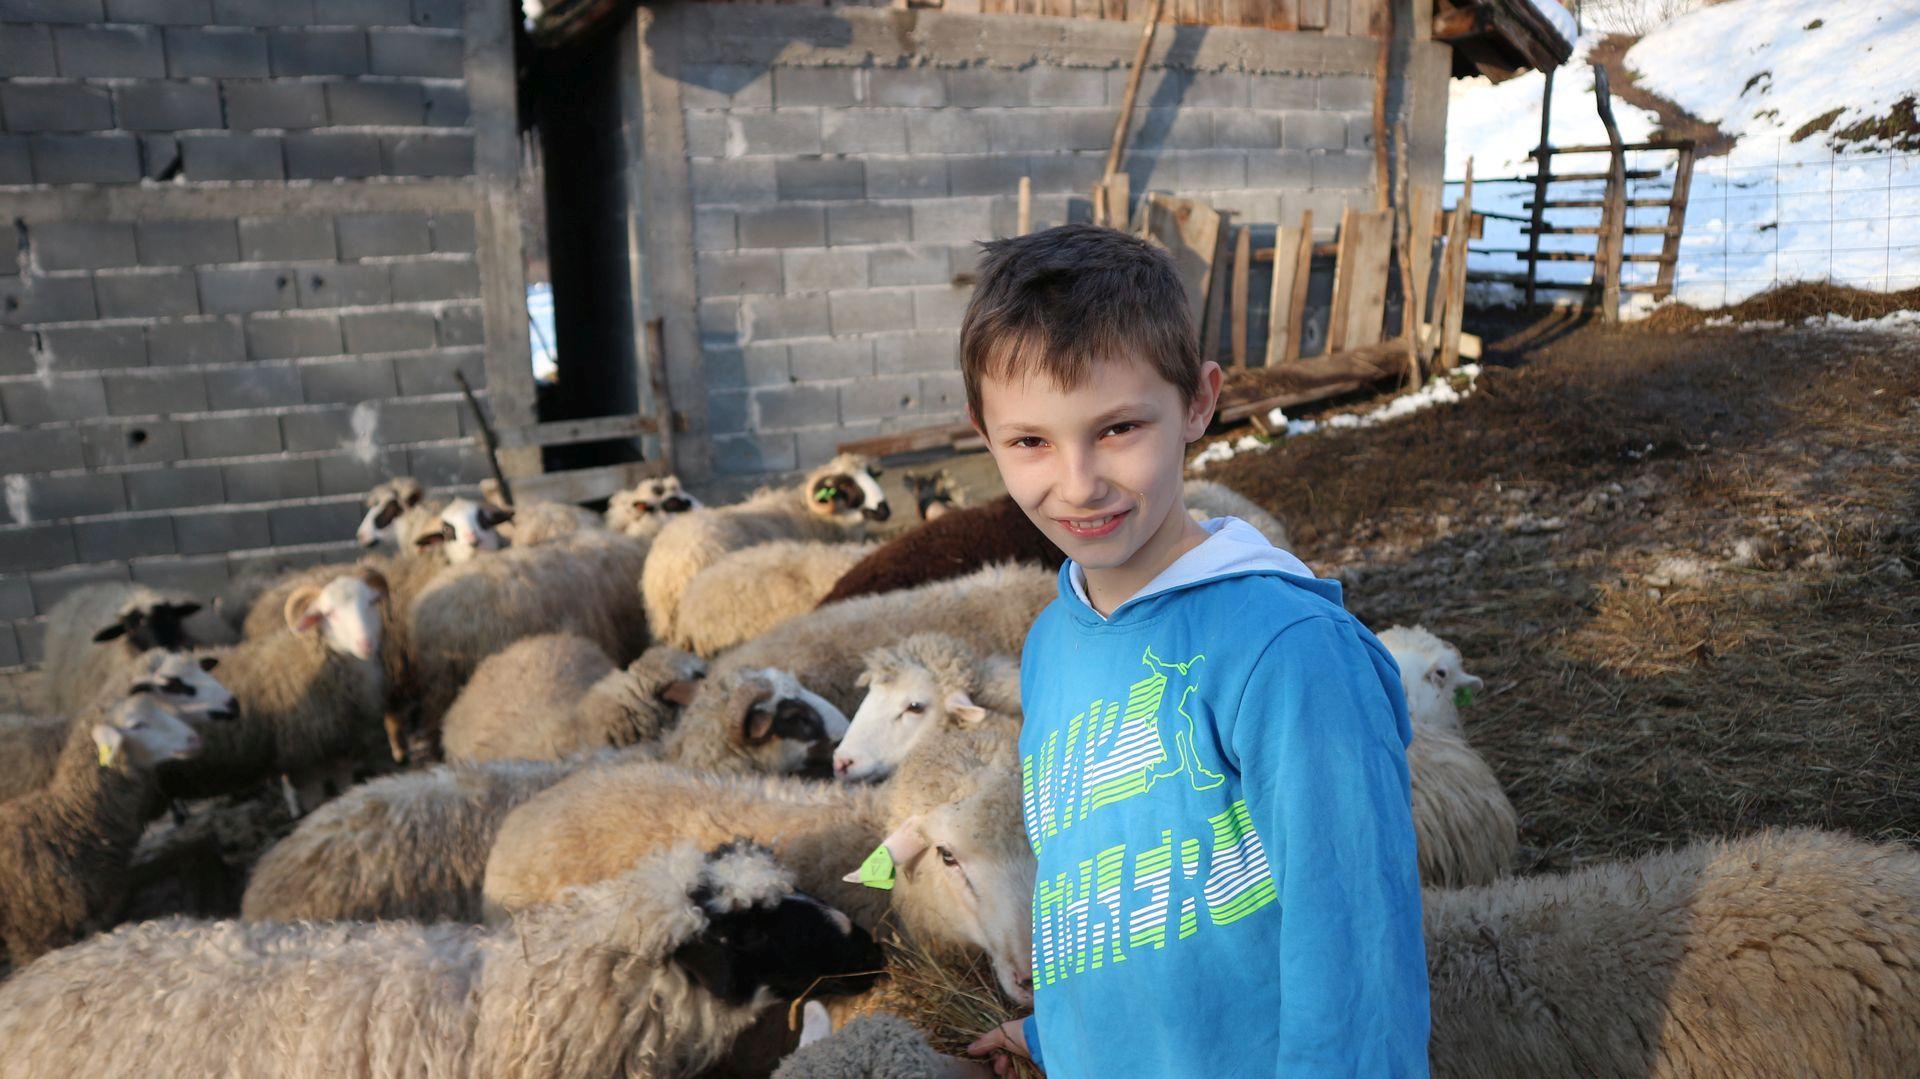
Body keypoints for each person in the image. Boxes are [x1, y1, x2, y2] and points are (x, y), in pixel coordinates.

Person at [957, 224, 1430, 1077]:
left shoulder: (1286, 653)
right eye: (1031, 440)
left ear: (1200, 403)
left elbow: (1356, 956)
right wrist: (1060, 1034)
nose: (1077, 482)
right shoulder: (1050, 646)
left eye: (1118, 428)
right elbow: (1101, 887)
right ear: (983, 432)